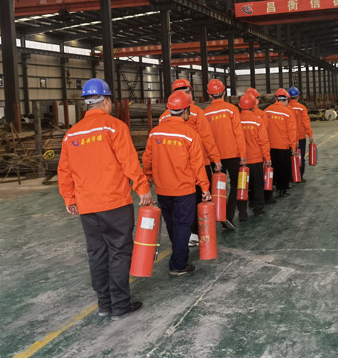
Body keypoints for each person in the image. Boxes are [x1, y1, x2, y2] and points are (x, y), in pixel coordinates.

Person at [58, 78, 151, 320]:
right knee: (119, 251)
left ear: (87, 103)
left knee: (97, 253)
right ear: (106, 101)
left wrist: (69, 198)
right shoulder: (114, 127)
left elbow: (64, 171)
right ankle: (120, 305)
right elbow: (129, 161)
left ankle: (104, 304)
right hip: (114, 203)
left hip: (87, 206)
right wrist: (142, 188)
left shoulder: (71, 134)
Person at [142, 90, 211, 276]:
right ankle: (179, 264)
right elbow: (198, 165)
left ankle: (178, 256)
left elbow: (147, 158)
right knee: (182, 225)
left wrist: (148, 176)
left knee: (172, 224)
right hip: (184, 190)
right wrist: (205, 187)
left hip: (162, 189)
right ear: (186, 110)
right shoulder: (190, 134)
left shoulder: (155, 132)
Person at [158, 79, 222, 247]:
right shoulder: (196, 112)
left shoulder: (164, 116)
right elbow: (207, 137)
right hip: (197, 163)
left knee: (176, 204)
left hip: (172, 168)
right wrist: (215, 158)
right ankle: (195, 232)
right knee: (197, 200)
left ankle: (183, 236)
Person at [203, 79, 246, 229]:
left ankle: (220, 214)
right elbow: (238, 134)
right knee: (235, 184)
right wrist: (243, 155)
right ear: (224, 92)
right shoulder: (232, 109)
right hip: (232, 154)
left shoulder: (205, 113)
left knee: (218, 187)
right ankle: (228, 215)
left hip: (214, 157)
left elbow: (204, 138)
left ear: (209, 95)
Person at [238, 94, 272, 217]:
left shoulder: (235, 120)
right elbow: (263, 141)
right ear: (253, 106)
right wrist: (267, 158)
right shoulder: (257, 121)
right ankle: (258, 209)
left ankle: (242, 213)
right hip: (256, 159)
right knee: (257, 185)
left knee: (242, 186)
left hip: (241, 160)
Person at [264, 88, 297, 198]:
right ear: (287, 100)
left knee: (273, 167)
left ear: (276, 99)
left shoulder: (267, 111)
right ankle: (283, 189)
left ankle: (271, 186)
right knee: (284, 168)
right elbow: (292, 131)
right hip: (283, 146)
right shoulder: (288, 113)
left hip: (270, 146)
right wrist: (293, 146)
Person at [287, 86, 314, 181]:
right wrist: (310, 134)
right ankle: (299, 176)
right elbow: (306, 122)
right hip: (301, 137)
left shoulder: (286, 108)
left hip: (289, 138)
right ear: (298, 96)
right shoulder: (302, 108)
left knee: (289, 157)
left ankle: (290, 177)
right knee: (300, 156)